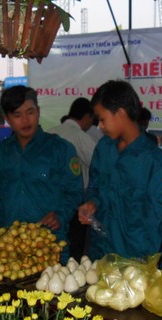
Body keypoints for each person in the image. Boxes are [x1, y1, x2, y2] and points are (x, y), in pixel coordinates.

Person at [78, 80, 162, 320]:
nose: (99, 126)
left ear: (122, 113)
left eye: (102, 118)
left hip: (138, 268)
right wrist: (92, 203)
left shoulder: (154, 162)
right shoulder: (104, 149)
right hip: (103, 259)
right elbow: (98, 186)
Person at [0, 86, 83, 265]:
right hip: (9, 250)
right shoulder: (0, 153)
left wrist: (60, 215)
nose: (25, 120)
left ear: (38, 112)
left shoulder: (61, 149)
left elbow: (74, 193)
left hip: (50, 247)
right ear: (7, 118)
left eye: (30, 112)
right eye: (17, 115)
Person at [47, 97, 97, 261]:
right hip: (73, 204)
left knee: (48, 248)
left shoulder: (49, 132)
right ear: (88, 116)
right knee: (72, 254)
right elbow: (98, 165)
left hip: (47, 203)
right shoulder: (80, 137)